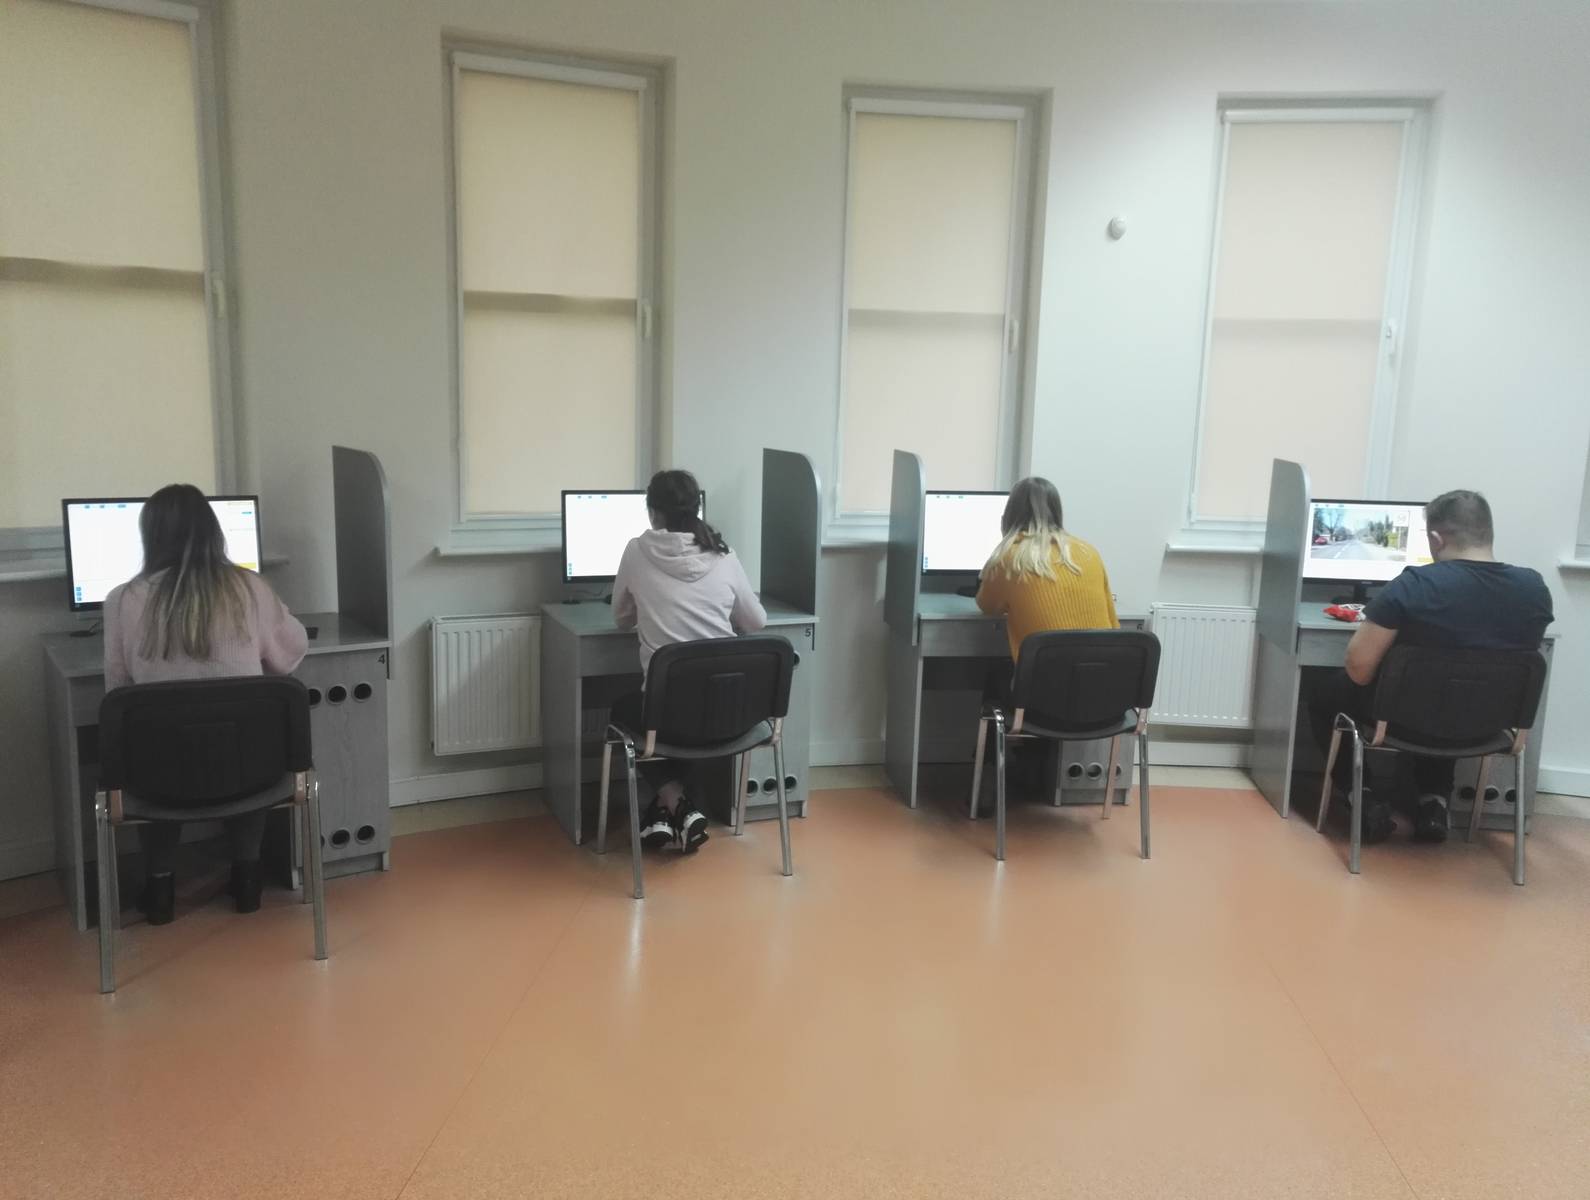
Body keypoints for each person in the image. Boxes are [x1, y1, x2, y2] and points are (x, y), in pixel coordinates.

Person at [103, 484, 309, 925]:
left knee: (152, 751)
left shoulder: (122, 599)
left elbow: (117, 692)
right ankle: (248, 880)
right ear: (214, 531)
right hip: (250, 774)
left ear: (149, 535)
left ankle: (160, 888)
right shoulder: (250, 588)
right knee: (248, 748)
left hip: (160, 778)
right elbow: (290, 654)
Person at [1308, 489, 1553, 844]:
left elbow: (1359, 670)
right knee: (1458, 696)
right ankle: (1434, 804)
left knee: (1324, 693)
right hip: (1486, 725)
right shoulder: (1534, 589)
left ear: (1436, 538)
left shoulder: (1414, 585)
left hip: (1406, 721)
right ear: (1487, 532)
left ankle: (1362, 796)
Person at [612, 469, 766, 853]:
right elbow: (756, 622)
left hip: (668, 720)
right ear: (697, 508)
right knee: (691, 712)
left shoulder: (636, 551)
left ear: (653, 513)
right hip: (728, 717)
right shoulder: (723, 554)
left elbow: (621, 619)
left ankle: (673, 801)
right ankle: (672, 814)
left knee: (623, 710)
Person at [975, 476, 1119, 664]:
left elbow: (987, 606)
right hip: (1103, 676)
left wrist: (1006, 537)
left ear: (1009, 514)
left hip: (1045, 680)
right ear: (1057, 512)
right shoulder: (1089, 552)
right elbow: (1113, 622)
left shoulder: (1010, 558)